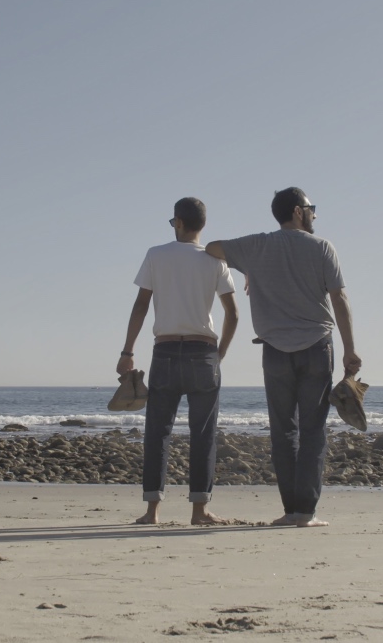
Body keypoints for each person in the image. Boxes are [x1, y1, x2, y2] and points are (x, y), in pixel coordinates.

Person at [206, 188, 361, 528]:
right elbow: (339, 299)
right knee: (313, 430)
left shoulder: (257, 246)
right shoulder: (322, 247)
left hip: (275, 351)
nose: (314, 214)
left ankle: (291, 510)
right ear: (297, 211)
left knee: (283, 431)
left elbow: (211, 248)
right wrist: (350, 349)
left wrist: (250, 269)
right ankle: (305, 513)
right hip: (317, 347)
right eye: (311, 208)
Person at [119, 197, 239, 525]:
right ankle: (199, 510)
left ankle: (152, 511)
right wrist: (220, 354)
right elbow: (233, 313)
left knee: (158, 432)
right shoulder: (214, 260)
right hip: (203, 352)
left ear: (180, 222)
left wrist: (127, 352)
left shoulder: (156, 255)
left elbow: (141, 305)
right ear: (202, 225)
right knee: (203, 433)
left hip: (166, 351)